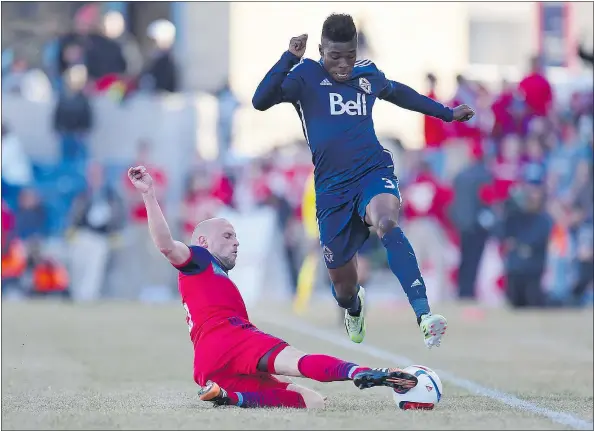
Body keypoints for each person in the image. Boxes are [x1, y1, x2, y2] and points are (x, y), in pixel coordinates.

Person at [252, 13, 475, 347]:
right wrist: (289, 58)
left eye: (349, 56)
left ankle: (424, 314)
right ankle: (354, 306)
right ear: (320, 50)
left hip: (372, 171)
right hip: (331, 190)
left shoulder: (367, 73)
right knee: (342, 288)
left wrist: (445, 112)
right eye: (335, 57)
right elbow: (260, 100)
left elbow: (399, 92)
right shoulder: (305, 75)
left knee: (387, 222)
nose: (343, 65)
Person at [128, 165, 419, 409]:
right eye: (228, 236)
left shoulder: (204, 272)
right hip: (228, 337)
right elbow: (166, 245)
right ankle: (361, 371)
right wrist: (149, 195)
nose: (236, 241)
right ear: (202, 241)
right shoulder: (199, 257)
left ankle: (232, 397)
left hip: (208, 363)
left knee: (309, 400)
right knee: (295, 360)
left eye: (236, 237)